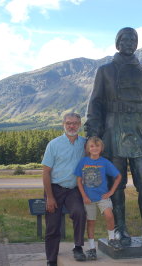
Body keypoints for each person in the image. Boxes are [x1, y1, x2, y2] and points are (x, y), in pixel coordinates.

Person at [85, 27, 142, 246]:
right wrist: (94, 134)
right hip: (113, 131)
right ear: (117, 43)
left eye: (133, 39)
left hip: (141, 131)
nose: (129, 42)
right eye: (125, 39)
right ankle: (120, 229)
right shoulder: (105, 70)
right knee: (116, 184)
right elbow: (96, 103)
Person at [42, 113, 87, 266]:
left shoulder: (85, 143)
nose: (71, 126)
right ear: (63, 124)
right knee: (53, 226)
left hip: (73, 189)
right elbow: (46, 171)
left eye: (75, 123)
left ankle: (78, 247)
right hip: (54, 189)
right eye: (68, 123)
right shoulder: (53, 144)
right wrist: (49, 197)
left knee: (80, 212)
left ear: (80, 124)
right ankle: (51, 259)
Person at [75, 136, 123, 260]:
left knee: (109, 215)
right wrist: (84, 196)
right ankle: (91, 248)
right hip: (89, 199)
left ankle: (111, 239)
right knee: (91, 222)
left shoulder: (104, 162)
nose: (94, 148)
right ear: (87, 148)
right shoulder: (83, 162)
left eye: (97, 146)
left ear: (101, 148)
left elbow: (118, 176)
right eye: (92, 146)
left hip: (103, 197)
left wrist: (111, 192)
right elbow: (79, 181)